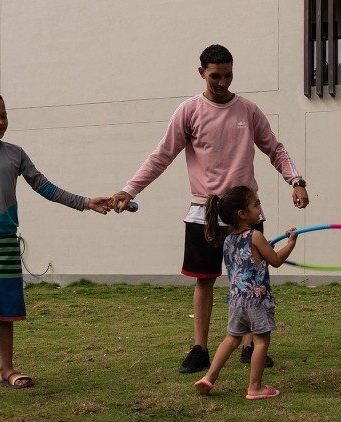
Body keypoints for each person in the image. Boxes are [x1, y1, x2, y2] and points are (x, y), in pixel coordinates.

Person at [110, 44, 308, 374]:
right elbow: (161, 155)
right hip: (204, 213)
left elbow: (275, 148)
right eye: (215, 76)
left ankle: (250, 346)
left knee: (252, 278)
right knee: (205, 280)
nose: (222, 82)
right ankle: (200, 348)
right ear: (201, 72)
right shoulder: (188, 111)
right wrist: (129, 189)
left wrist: (296, 180)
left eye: (228, 75)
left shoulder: (248, 110)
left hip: (245, 213)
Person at [0, 89, 111, 396]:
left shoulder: (15, 153)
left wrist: (86, 202)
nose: (0, 122)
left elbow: (44, 186)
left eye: (4, 115)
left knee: (5, 309)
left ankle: (7, 369)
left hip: (5, 242)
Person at [194, 186, 296, 400]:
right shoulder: (255, 236)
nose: (259, 209)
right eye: (256, 205)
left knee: (231, 339)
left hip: (236, 300)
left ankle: (209, 377)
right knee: (261, 341)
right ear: (242, 213)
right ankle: (255, 387)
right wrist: (291, 243)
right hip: (256, 301)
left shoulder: (229, 239)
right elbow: (276, 260)